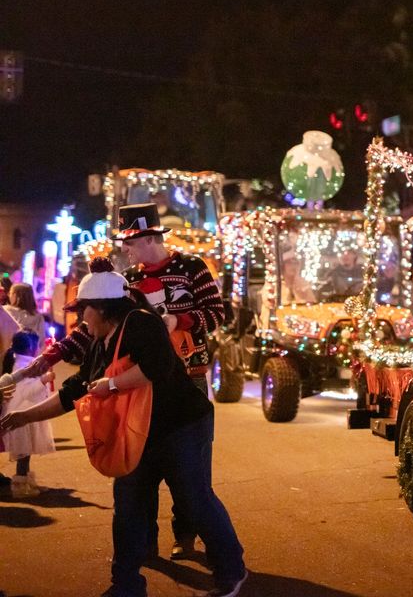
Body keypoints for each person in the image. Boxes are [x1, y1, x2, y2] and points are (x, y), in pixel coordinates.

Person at [0, 259, 247, 597]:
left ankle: (232, 570)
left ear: (102, 308)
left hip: (182, 426)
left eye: (84, 310)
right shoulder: (99, 339)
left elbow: (157, 367)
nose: (80, 318)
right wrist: (24, 416)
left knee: (194, 499)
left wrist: (113, 384)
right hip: (138, 433)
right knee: (128, 504)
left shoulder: (141, 323)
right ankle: (126, 584)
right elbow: (75, 391)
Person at [118, 202, 225, 561]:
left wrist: (177, 322)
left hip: (189, 378)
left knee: (190, 471)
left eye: (130, 242)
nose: (126, 250)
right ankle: (145, 541)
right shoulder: (130, 278)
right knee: (141, 467)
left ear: (149, 238)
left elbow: (217, 313)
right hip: (144, 382)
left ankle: (188, 535)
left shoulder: (192, 267)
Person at [1, 330, 55, 497]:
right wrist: (44, 380)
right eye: (37, 345)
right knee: (23, 454)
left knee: (27, 453)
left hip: (27, 415)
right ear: (31, 347)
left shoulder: (27, 364)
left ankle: (27, 482)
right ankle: (20, 486)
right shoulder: (24, 366)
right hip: (22, 417)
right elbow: (26, 391)